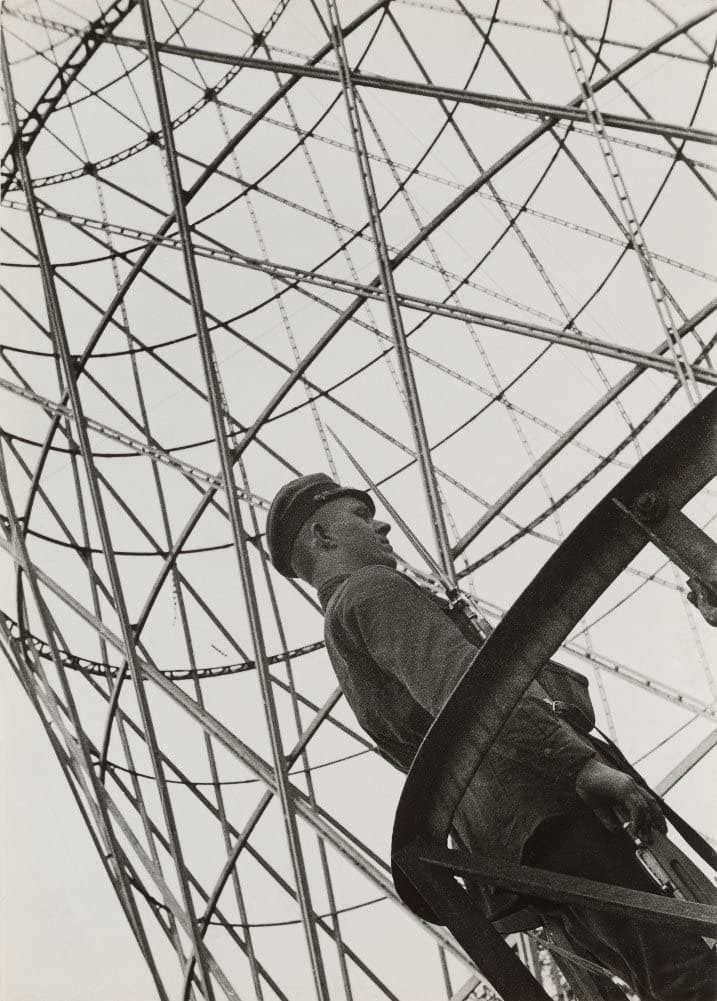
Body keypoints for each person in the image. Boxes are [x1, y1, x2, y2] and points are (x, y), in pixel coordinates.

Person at [266, 473, 716, 1000]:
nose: (382, 524)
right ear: (323, 537)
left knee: (656, 978)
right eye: (360, 518)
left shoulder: (340, 638)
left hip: (506, 846)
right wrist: (582, 767)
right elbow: (471, 694)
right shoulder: (372, 591)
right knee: (685, 971)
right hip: (543, 804)